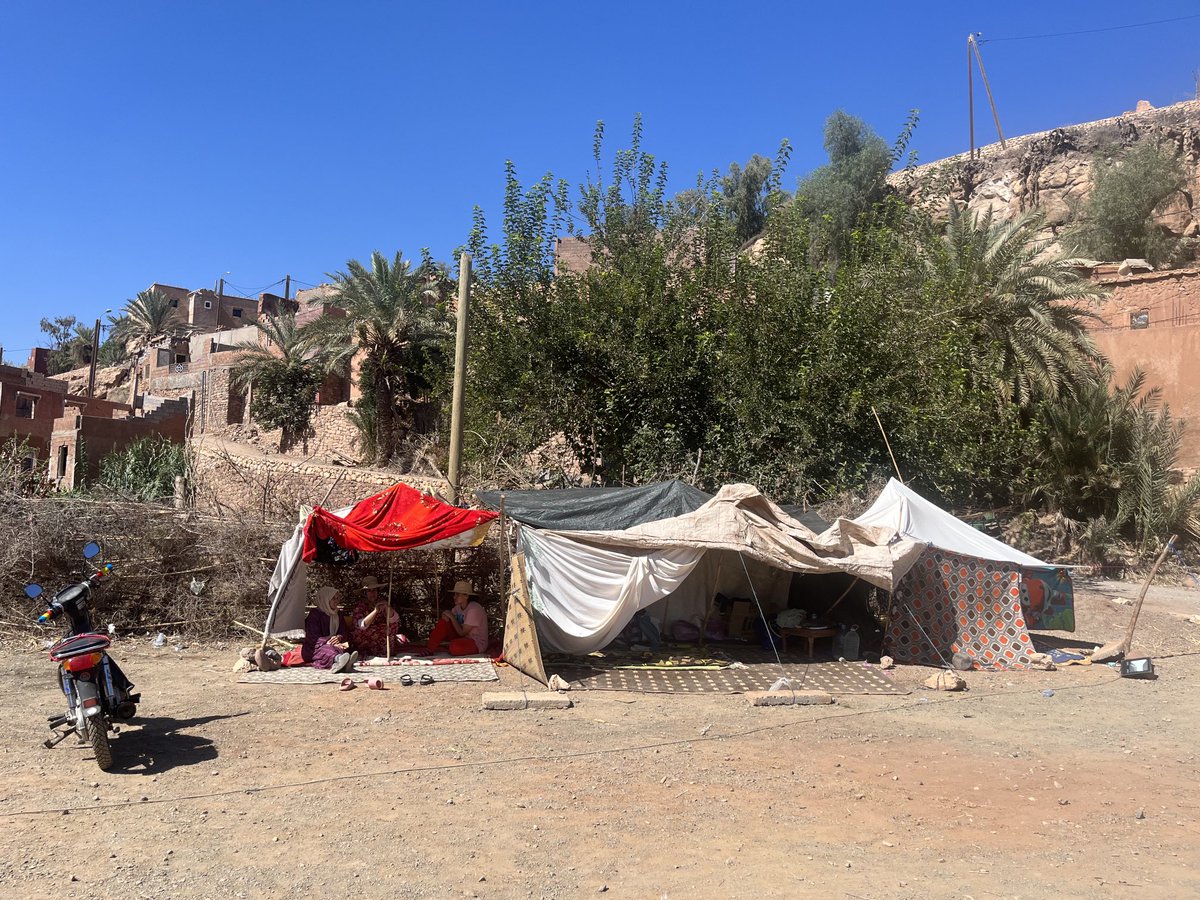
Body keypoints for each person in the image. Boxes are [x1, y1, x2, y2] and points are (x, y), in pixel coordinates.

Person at [302, 586, 358, 672]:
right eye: (333, 598)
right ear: (325, 599)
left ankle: (341, 663)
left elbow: (343, 631)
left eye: (337, 598)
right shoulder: (314, 615)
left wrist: (339, 637)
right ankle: (340, 659)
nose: (336, 601)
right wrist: (328, 641)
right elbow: (313, 637)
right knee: (329, 650)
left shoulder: (338, 614)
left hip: (335, 645)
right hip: (314, 648)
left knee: (343, 647)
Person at [426, 580, 487, 656]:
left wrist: (451, 617)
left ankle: (450, 646)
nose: (454, 597)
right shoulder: (457, 608)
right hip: (462, 638)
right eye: (455, 594)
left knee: (454, 647)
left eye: (457, 595)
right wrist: (446, 616)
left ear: (466, 596)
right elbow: (447, 621)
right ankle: (429, 649)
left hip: (475, 642)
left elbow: (462, 633)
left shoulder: (474, 609)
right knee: (443, 622)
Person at [351, 575, 402, 658]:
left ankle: (386, 650)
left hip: (381, 637)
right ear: (365, 593)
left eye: (374, 590)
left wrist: (387, 607)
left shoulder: (381, 602)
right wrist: (375, 611)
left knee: (393, 626)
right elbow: (362, 625)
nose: (372, 593)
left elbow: (394, 619)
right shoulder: (359, 606)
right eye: (369, 591)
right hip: (364, 638)